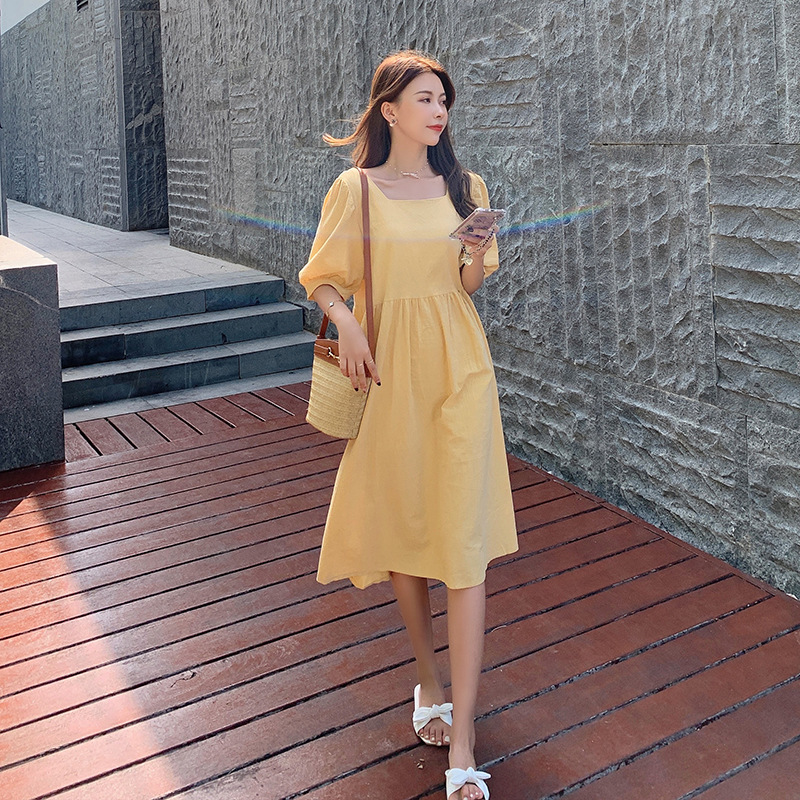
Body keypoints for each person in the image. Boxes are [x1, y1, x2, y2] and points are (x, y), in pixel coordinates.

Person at [298, 49, 518, 800]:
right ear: (388, 109)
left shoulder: (466, 187)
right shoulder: (355, 189)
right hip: (391, 371)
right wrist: (347, 324)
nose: (439, 111)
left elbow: (467, 285)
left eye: (444, 99)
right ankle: (428, 680)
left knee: (462, 541)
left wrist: (477, 254)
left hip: (461, 371)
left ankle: (465, 741)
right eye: (425, 98)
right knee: (405, 525)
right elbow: (322, 277)